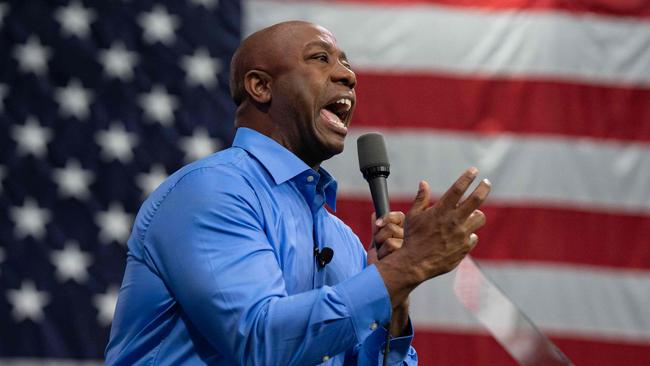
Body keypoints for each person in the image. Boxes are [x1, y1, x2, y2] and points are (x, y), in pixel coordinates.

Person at [105, 21, 491, 365]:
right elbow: (259, 343)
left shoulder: (342, 240)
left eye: (347, 63)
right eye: (321, 58)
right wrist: (406, 268)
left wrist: (398, 291)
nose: (348, 76)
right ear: (260, 86)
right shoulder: (211, 192)